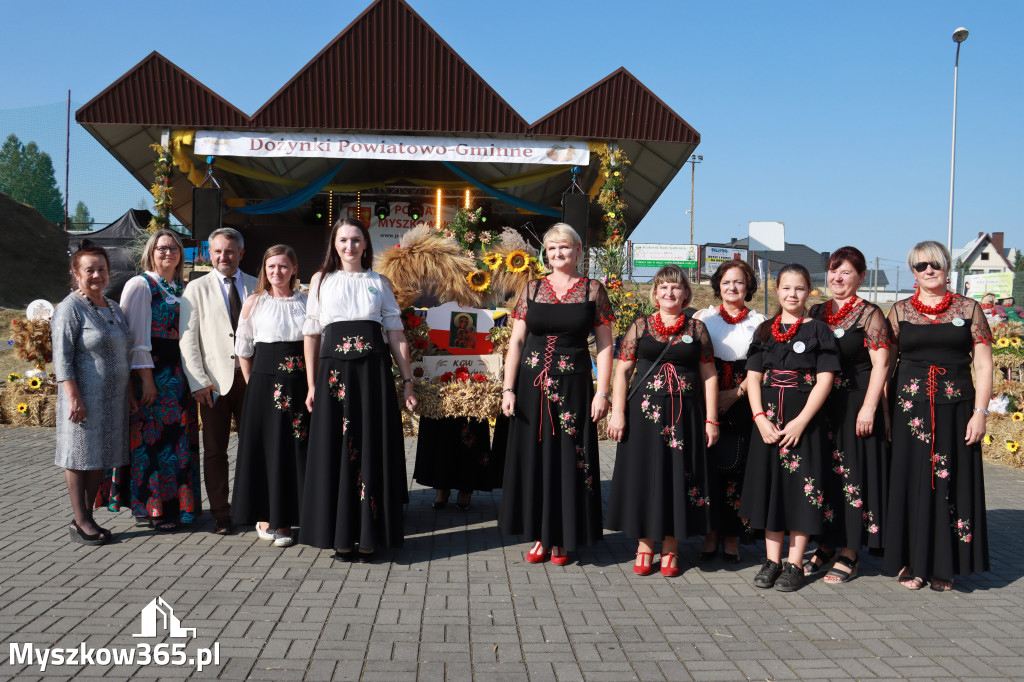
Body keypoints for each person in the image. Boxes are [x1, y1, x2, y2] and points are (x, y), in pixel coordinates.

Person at [299, 217, 418, 562]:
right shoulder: (320, 281)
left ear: (366, 244)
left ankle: (369, 535)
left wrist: (407, 380)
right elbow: (312, 335)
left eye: (355, 240)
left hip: (372, 376)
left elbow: (396, 335)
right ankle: (341, 536)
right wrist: (311, 384)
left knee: (370, 447)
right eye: (342, 240)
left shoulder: (379, 282)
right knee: (336, 450)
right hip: (334, 377)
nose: (349, 246)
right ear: (334, 245)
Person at [499, 223, 614, 566]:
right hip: (532, 386)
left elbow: (606, 346)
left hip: (574, 385)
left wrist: (603, 392)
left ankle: (562, 536)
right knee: (535, 455)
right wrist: (508, 387)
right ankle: (539, 534)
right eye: (551, 249)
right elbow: (516, 341)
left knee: (569, 456)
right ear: (545, 254)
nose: (558, 254)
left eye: (565, 248)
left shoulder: (593, 290)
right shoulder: (532, 288)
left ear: (578, 252)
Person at [884, 240, 991, 592]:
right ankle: (914, 563)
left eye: (935, 264)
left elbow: (984, 364)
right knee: (913, 483)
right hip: (909, 412)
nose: (928, 270)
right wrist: (881, 408)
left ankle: (946, 565)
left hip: (957, 409)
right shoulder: (899, 312)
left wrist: (980, 413)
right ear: (913, 271)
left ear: (947, 267)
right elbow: (885, 365)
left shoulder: (970, 309)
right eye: (920, 266)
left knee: (950, 482)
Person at [606, 265, 719, 576]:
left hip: (685, 416)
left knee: (679, 476)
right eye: (664, 287)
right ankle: (645, 544)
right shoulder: (640, 326)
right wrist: (617, 412)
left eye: (676, 287)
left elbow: (709, 376)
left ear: (686, 294)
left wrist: (712, 420)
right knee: (643, 475)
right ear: (655, 293)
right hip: (644, 415)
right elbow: (622, 371)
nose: (670, 292)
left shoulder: (697, 329)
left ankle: (671, 546)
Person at [740, 263, 840, 592]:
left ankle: (795, 563)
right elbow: (753, 377)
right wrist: (759, 418)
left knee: (802, 492)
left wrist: (801, 421)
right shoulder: (765, 330)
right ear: (777, 290)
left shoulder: (819, 331)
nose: (792, 294)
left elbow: (825, 379)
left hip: (804, 424)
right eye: (786, 288)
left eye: (799, 288)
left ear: (809, 290)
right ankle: (772, 561)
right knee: (771, 489)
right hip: (767, 421)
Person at [799, 246, 894, 583]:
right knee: (825, 475)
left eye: (846, 272)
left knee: (855, 476)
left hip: (857, 403)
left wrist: (870, 407)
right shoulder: (816, 310)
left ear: (861, 277)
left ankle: (851, 551)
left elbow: (882, 364)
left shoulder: (871, 315)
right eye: (833, 271)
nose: (838, 278)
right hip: (823, 404)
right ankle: (826, 544)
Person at [99, 229, 200, 531]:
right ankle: (154, 508)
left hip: (178, 374)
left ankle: (178, 507)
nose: (168, 253)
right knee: (152, 443)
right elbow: (136, 339)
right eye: (161, 248)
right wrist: (146, 380)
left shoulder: (179, 287)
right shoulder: (141, 285)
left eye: (174, 248)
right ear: (151, 253)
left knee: (175, 443)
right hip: (153, 373)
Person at [52, 240, 134, 545]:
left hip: (112, 400)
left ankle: (86, 517)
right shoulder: (69, 308)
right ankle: (81, 520)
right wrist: (73, 396)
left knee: (98, 456)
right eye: (90, 270)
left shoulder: (112, 306)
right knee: (78, 455)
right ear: (76, 273)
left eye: (101, 269)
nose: (97, 275)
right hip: (83, 399)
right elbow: (62, 357)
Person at [180, 227, 257, 535]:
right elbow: (188, 340)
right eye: (217, 251)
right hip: (213, 385)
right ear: (208, 254)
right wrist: (198, 381)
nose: (223, 256)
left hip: (252, 382)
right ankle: (221, 514)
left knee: (253, 448)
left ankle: (252, 506)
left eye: (229, 251)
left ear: (241, 252)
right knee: (214, 451)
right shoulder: (196, 289)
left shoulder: (257, 285)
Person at [230, 245, 308, 547]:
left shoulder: (307, 302)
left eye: (284, 266)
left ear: (294, 269)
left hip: (299, 385)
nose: (277, 272)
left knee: (295, 449)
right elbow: (244, 350)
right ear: (265, 269)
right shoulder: (254, 303)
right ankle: (266, 515)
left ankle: (291, 517)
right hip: (263, 387)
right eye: (271, 266)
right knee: (266, 450)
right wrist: (253, 388)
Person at [693, 260, 767, 563]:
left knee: (738, 468)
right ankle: (710, 532)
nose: (732, 287)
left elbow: (762, 366)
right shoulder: (702, 318)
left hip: (743, 397)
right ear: (717, 285)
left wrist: (735, 393)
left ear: (748, 287)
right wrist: (714, 397)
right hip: (705, 398)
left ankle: (733, 536)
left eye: (739, 282)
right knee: (708, 467)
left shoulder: (761, 322)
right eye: (726, 282)